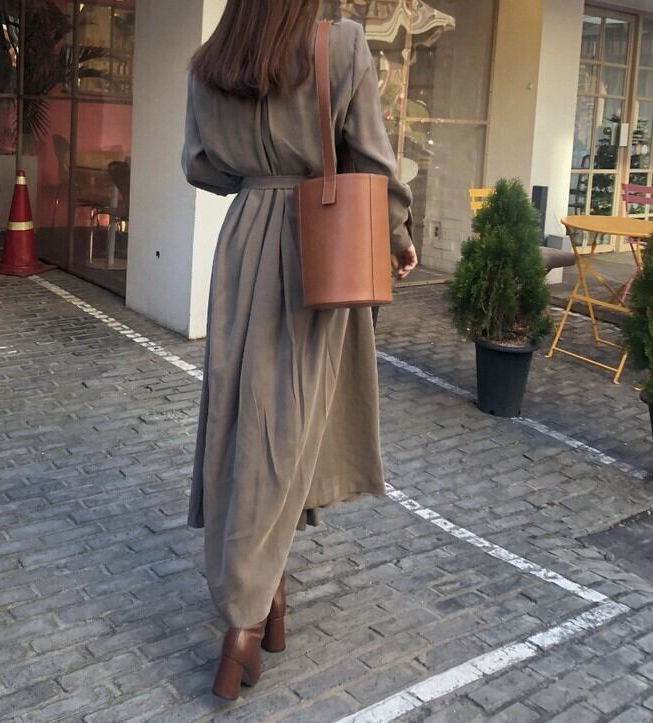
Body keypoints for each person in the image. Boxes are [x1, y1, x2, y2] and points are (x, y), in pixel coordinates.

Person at [181, 0, 417, 700]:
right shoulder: (339, 45)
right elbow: (373, 163)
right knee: (286, 425)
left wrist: (258, 169)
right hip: (319, 243)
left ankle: (271, 598)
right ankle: (244, 626)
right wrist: (397, 237)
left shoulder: (211, 62)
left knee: (246, 416)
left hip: (243, 241)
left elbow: (202, 168)